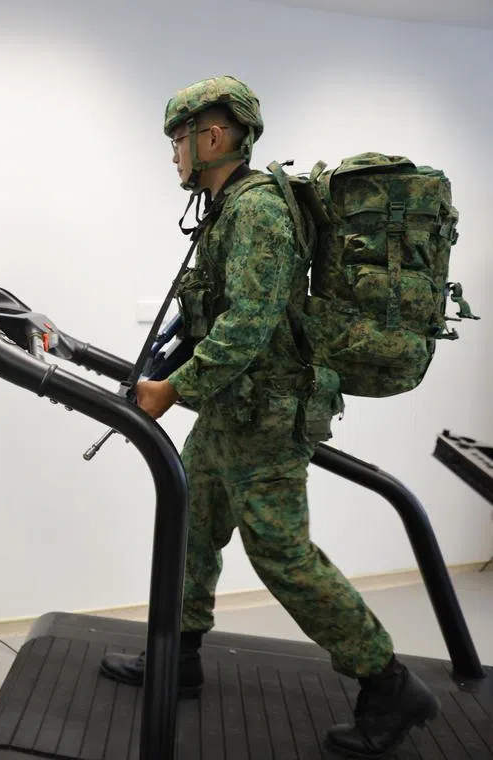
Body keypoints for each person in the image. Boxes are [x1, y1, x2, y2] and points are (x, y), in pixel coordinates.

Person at [97, 76, 439, 758]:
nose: (172, 154)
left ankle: (388, 682)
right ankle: (181, 657)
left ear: (213, 137)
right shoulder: (224, 210)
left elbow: (248, 326)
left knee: (282, 556)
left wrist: (174, 389)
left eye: (177, 139)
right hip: (232, 410)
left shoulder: (256, 212)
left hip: (270, 416)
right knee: (191, 525)